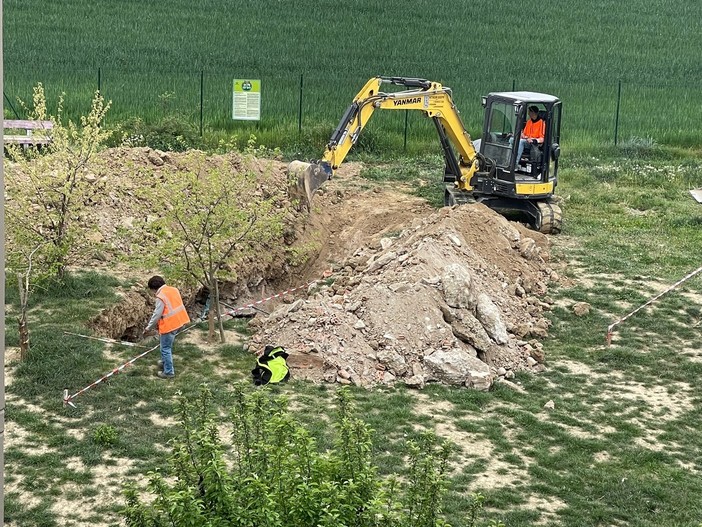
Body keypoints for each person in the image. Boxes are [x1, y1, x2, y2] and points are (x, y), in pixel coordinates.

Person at [144, 276, 190, 379]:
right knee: (166, 346)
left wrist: (148, 328)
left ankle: (168, 372)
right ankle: (165, 362)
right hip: (180, 321)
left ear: (153, 288)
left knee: (165, 348)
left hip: (170, 325)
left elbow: (157, 315)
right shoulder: (174, 289)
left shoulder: (160, 296)